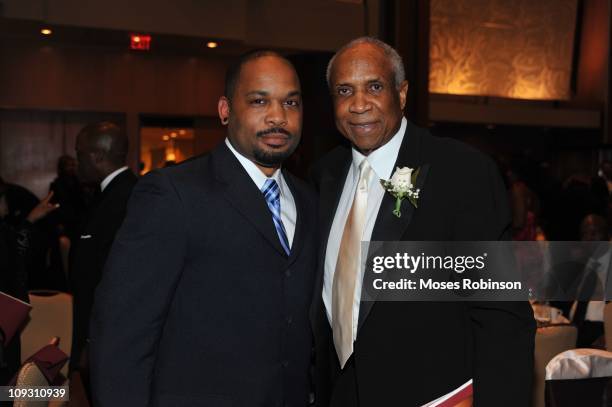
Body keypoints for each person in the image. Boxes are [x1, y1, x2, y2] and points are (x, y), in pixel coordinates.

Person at [310, 37, 535, 406]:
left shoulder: (461, 172)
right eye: (344, 90)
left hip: (435, 396)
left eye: (375, 87)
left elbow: (502, 316)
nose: (359, 104)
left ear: (401, 94)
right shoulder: (325, 175)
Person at [90, 51, 317, 406]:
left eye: (291, 102)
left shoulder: (309, 200)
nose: (278, 117)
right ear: (225, 110)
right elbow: (122, 334)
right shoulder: (173, 194)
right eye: (260, 101)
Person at [68, 122, 137, 397]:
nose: (76, 160)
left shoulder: (129, 198)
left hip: (108, 342)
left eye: (79, 153)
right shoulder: (105, 194)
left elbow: (118, 280)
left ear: (97, 156)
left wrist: (91, 341)